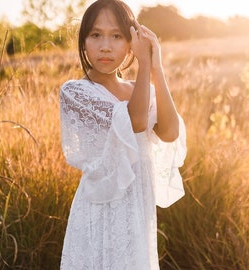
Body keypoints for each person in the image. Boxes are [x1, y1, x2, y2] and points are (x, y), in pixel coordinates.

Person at [59, 0, 186, 269]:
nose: (105, 46)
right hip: (100, 209)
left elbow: (170, 132)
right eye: (95, 35)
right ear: (84, 42)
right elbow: (136, 122)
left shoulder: (141, 90)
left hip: (137, 207)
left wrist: (156, 67)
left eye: (116, 36)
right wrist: (143, 65)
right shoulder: (76, 92)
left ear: (131, 42)